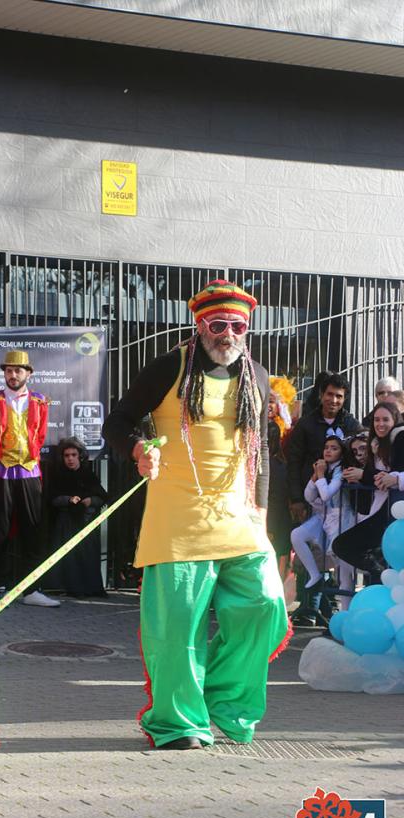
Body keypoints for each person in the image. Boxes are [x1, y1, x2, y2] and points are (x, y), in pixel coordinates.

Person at [102, 279, 290, 751]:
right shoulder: (171, 366)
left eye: (237, 325)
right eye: (218, 324)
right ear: (200, 324)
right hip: (178, 515)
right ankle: (179, 722)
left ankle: (222, 702)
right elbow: (117, 422)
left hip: (238, 514)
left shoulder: (257, 375)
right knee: (178, 628)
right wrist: (139, 448)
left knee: (265, 604)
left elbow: (260, 449)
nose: (228, 334)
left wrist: (262, 513)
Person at [0, 349, 60, 608]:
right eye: (8, 370)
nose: (12, 375)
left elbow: (39, 437)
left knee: (33, 529)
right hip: (0, 470)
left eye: (17, 370)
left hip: (29, 469)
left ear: (28, 373)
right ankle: (0, 588)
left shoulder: (40, 401)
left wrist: (30, 456)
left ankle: (32, 589)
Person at [333, 402, 404, 580]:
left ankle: (380, 574)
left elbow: (392, 475)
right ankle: (380, 575)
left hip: (394, 513)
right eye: (377, 420)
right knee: (344, 546)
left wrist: (366, 475)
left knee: (343, 545)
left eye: (385, 420)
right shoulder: (375, 444)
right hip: (382, 511)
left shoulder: (400, 439)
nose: (380, 424)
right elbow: (383, 477)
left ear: (394, 420)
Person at [290, 435, 355, 626]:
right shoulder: (324, 469)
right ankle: (315, 575)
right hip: (323, 516)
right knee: (297, 535)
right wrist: (315, 475)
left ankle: (347, 616)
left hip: (341, 519)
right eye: (326, 447)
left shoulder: (340, 471)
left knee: (343, 572)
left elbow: (326, 494)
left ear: (341, 452)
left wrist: (320, 475)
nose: (328, 451)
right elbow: (309, 496)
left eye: (334, 448)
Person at [286, 373, 362, 525]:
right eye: (330, 394)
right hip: (310, 498)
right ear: (321, 395)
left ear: (344, 399)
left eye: (339, 396)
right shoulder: (305, 424)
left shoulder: (351, 425)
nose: (333, 400)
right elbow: (293, 462)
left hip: (342, 502)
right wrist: (296, 499)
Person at [49, 437, 108, 598]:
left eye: (73, 455)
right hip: (67, 523)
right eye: (67, 455)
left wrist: (90, 501)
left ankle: (92, 588)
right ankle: (73, 589)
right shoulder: (58, 476)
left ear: (80, 456)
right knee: (71, 558)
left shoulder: (89, 475)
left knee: (88, 556)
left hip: (87, 522)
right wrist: (68, 500)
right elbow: (52, 498)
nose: (70, 459)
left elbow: (103, 497)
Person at [266, 421, 292, 578]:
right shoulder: (280, 464)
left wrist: (270, 527)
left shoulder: (274, 465)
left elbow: (275, 498)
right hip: (277, 519)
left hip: (273, 521)